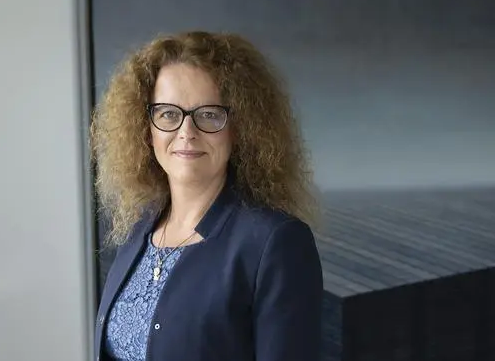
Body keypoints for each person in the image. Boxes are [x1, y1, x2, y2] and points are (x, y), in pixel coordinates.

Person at [90, 31, 323, 361]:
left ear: (240, 128)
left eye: (209, 114)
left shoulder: (276, 243)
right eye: (168, 113)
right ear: (146, 128)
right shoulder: (139, 228)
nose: (187, 132)